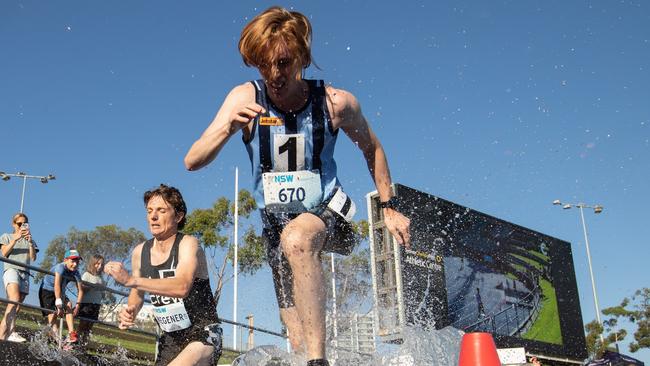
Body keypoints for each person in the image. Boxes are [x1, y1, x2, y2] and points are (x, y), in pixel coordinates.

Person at [184, 7, 411, 365]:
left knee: (299, 239)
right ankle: (313, 354)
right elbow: (192, 160)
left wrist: (390, 208)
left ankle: (317, 362)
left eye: (284, 63)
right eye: (263, 65)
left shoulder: (336, 103)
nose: (273, 75)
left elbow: (373, 147)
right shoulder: (245, 98)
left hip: (327, 213)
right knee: (297, 335)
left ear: (303, 57)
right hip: (275, 226)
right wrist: (227, 128)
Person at [104, 184, 222, 366]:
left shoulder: (188, 244)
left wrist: (129, 279)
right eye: (149, 210)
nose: (153, 216)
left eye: (161, 210)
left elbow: (182, 286)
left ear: (179, 216)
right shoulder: (140, 252)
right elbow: (137, 293)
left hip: (204, 333)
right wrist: (131, 310)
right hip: (171, 338)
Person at [0, 213, 38, 342]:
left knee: (17, 304)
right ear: (13, 224)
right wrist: (15, 239)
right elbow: (4, 253)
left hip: (25, 273)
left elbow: (33, 258)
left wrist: (30, 243)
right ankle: (2, 332)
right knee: (14, 299)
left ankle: (10, 332)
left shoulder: (30, 239)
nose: (22, 226)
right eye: (19, 223)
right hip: (11, 269)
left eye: (25, 223)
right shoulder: (7, 236)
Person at [39, 249, 84, 345]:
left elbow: (80, 290)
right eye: (72, 261)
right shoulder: (60, 267)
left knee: (69, 304)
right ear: (65, 260)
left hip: (60, 291)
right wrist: (59, 304)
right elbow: (57, 285)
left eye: (77, 261)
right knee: (53, 316)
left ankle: (71, 334)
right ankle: (56, 339)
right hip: (47, 290)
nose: (75, 264)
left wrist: (78, 305)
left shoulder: (76, 272)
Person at [77, 254, 105, 346]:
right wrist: (92, 286)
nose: (100, 266)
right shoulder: (86, 275)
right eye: (98, 264)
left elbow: (102, 293)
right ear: (93, 263)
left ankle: (83, 345)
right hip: (86, 304)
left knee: (89, 327)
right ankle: (75, 343)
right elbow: (81, 289)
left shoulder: (101, 278)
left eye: (101, 264)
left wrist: (102, 289)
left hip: (96, 304)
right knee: (83, 324)